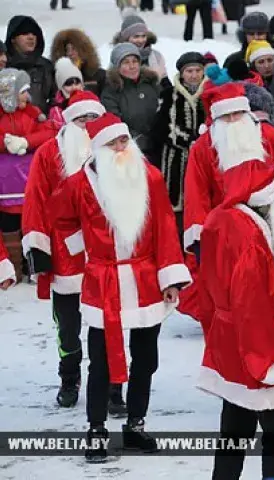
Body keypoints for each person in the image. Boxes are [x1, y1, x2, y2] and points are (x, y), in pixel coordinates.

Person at [52, 113, 191, 463]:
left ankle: (135, 425)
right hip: (104, 280)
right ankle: (96, 430)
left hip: (145, 278)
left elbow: (163, 226)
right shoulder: (79, 185)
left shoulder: (150, 177)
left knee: (146, 358)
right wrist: (85, 251)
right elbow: (61, 219)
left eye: (124, 140)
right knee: (99, 361)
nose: (121, 148)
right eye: (113, 143)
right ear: (97, 148)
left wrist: (170, 278)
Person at [198, 156, 274, 480]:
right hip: (254, 342)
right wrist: (267, 358)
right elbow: (251, 304)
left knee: (235, 422)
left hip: (228, 335)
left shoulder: (219, 220)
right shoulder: (253, 241)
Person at [23, 91, 112, 409]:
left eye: (93, 118)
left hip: (105, 253)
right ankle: (69, 376)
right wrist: (37, 247)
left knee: (108, 323)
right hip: (64, 254)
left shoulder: (115, 149)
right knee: (69, 328)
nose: (87, 125)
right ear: (70, 120)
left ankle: (111, 382)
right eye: (81, 119)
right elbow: (35, 198)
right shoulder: (49, 153)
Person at [181, 83, 274, 324]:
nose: (234, 119)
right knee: (231, 285)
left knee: (267, 278)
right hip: (224, 228)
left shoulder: (264, 138)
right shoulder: (203, 148)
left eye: (238, 113)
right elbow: (196, 193)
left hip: (265, 224)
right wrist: (199, 237)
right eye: (227, 116)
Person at [0, 68, 57, 281]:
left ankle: (32, 267)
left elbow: (49, 131)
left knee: (31, 222)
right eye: (22, 91)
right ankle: (11, 269)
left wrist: (26, 142)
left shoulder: (32, 113)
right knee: (8, 225)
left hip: (28, 178)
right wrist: (6, 142)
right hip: (5, 183)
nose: (27, 95)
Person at [152, 52, 207, 236]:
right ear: (182, 73)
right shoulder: (169, 94)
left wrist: (202, 141)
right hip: (175, 158)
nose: (193, 75)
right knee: (176, 202)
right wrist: (186, 140)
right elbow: (161, 126)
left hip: (203, 157)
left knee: (201, 198)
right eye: (189, 71)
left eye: (198, 70)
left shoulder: (209, 93)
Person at [100, 43, 162, 161]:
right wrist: (140, 140)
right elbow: (115, 122)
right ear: (117, 66)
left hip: (159, 147)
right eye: (126, 62)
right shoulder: (111, 91)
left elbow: (164, 110)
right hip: (130, 151)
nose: (132, 66)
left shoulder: (151, 84)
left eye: (135, 61)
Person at [5, 16, 55, 115]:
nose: (31, 37)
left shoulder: (46, 67)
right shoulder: (3, 65)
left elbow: (56, 99)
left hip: (40, 125)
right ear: (13, 38)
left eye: (34, 34)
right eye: (25, 33)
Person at [50, 29, 106, 96]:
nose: (70, 53)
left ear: (84, 50)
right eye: (67, 50)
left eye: (74, 49)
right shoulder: (55, 77)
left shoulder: (100, 75)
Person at [112, 14, 167, 80]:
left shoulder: (156, 56)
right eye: (136, 36)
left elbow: (165, 81)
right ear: (126, 38)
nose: (141, 40)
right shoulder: (118, 56)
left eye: (143, 36)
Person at [47, 58, 84, 129]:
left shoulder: (90, 102)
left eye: (77, 82)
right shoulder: (56, 110)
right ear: (61, 86)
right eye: (69, 83)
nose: (74, 87)